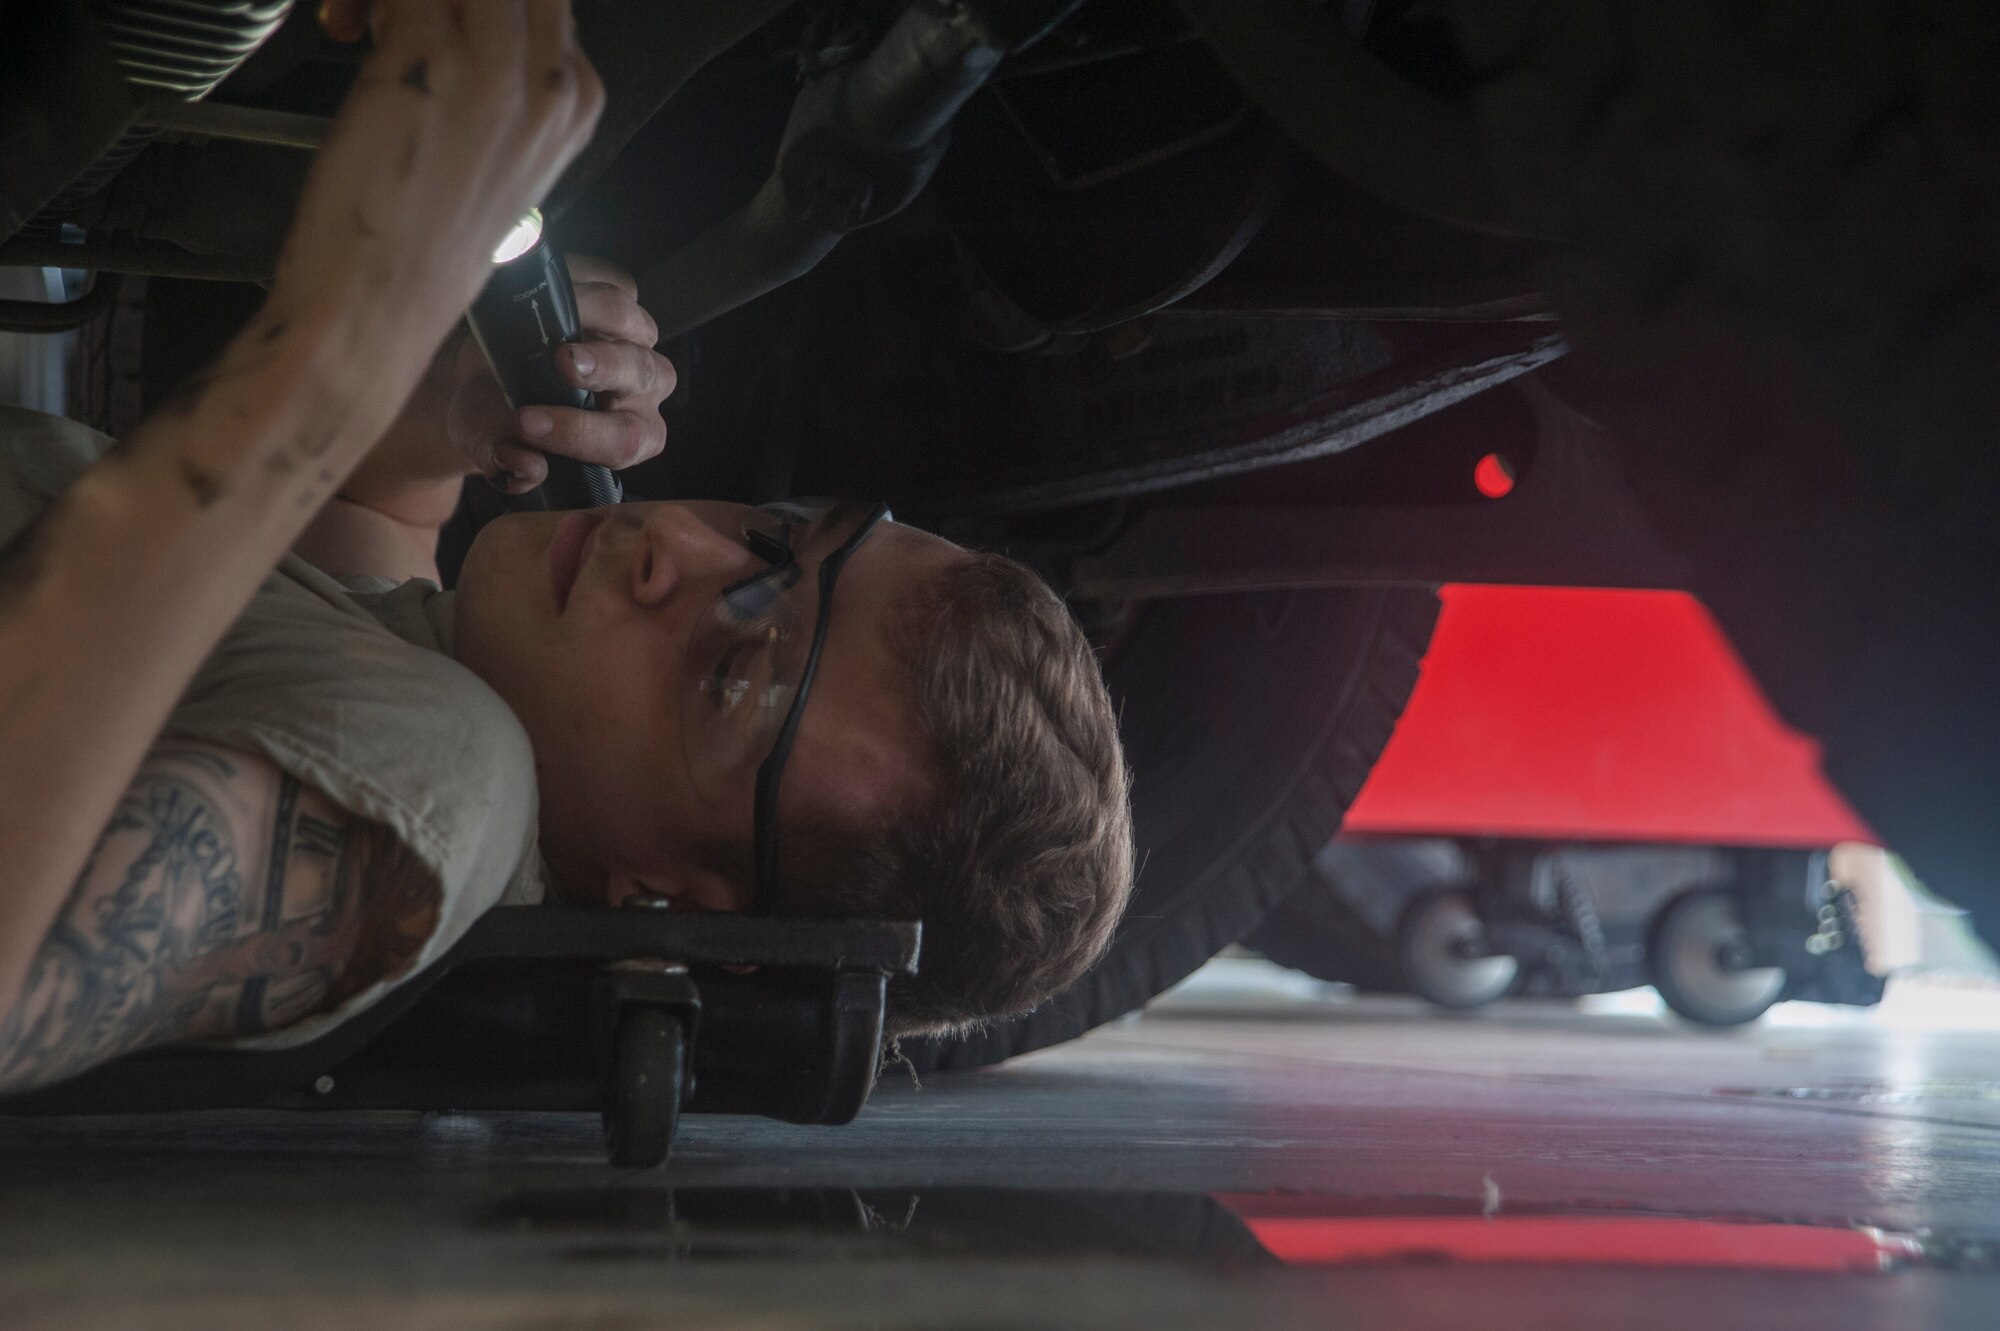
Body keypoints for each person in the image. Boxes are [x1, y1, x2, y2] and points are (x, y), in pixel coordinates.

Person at [0, 0, 1132, 1094]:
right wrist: (435, 415)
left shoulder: (445, 784)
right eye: (770, 544)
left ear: (669, 897)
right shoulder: (448, 682)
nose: (671, 546)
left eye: (731, 670)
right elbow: (370, 547)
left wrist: (330, 368)